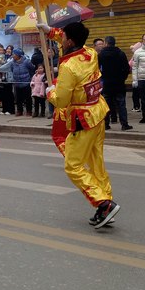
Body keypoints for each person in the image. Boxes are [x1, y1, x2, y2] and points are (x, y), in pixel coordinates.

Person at [41, 21, 120, 229]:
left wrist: (50, 92)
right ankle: (106, 205)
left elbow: (61, 101)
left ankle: (103, 203)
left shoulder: (68, 67)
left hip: (82, 118)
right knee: (96, 163)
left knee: (73, 166)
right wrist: (50, 31)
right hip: (98, 112)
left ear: (70, 41)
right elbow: (70, 41)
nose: (61, 38)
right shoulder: (90, 53)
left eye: (63, 36)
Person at [98, 36, 131, 131]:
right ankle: (124, 124)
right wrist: (122, 78)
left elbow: (97, 69)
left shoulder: (101, 55)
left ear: (106, 43)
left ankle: (106, 124)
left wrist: (102, 78)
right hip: (119, 84)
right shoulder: (120, 53)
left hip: (106, 84)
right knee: (121, 105)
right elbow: (126, 68)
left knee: (106, 105)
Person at [1, 48, 34, 116]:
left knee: (28, 98)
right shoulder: (12, 62)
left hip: (26, 82)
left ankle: (29, 111)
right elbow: (12, 70)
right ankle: (19, 111)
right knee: (18, 98)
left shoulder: (27, 61)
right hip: (17, 82)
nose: (13, 55)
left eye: (14, 54)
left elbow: (31, 69)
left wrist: (30, 78)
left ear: (18, 55)